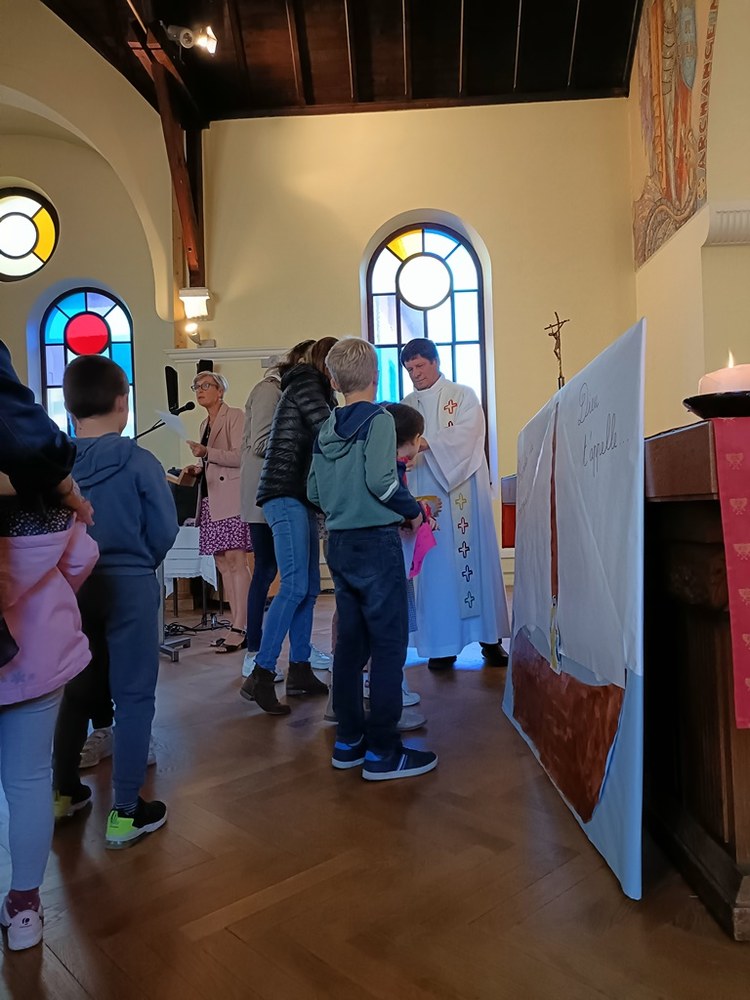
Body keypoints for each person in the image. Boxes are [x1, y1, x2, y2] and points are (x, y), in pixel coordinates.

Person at [52, 355, 178, 849]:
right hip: (130, 584)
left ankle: (64, 793)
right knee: (133, 695)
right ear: (123, 402)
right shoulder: (140, 461)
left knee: (75, 688)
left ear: (70, 410)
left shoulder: (57, 465)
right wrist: (140, 562)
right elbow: (164, 528)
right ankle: (126, 812)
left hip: (72, 588)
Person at [0, 338, 98, 951]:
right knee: (30, 779)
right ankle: (25, 905)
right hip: (36, 656)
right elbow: (82, 558)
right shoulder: (50, 500)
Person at [308, 338, 438, 781]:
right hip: (376, 544)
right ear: (376, 375)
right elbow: (383, 482)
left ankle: (348, 742)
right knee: (387, 647)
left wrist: (343, 504)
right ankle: (383, 752)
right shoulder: (380, 420)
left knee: (350, 647)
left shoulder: (326, 427)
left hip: (339, 544)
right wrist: (414, 510)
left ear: (333, 380)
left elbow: (312, 491)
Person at [240, 338, 337, 714]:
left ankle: (299, 670)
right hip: (285, 493)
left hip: (301, 495)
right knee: (294, 584)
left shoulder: (314, 387)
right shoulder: (306, 383)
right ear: (328, 364)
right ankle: (262, 674)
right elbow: (330, 432)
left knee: (309, 587)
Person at [400, 338, 511, 670]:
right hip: (424, 497)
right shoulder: (406, 406)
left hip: (462, 495)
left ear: (435, 362)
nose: (415, 374)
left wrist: (426, 444)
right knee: (434, 571)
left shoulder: (462, 396)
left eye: (420, 366)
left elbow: (470, 436)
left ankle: (489, 640)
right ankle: (441, 646)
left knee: (474, 563)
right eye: (409, 369)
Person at [186, 371, 250, 654]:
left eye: (205, 385)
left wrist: (206, 453)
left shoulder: (234, 416)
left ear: (220, 391)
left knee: (236, 561)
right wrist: (197, 469)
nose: (199, 390)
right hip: (211, 499)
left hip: (231, 498)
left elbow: (240, 456)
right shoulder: (204, 423)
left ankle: (243, 626)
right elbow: (211, 461)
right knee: (222, 563)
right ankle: (236, 624)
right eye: (196, 386)